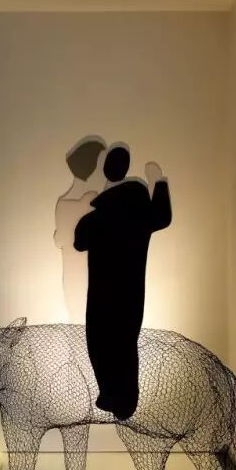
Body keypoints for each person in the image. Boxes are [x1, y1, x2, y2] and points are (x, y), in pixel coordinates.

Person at [74, 143, 171, 420]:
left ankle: (112, 394)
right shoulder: (139, 210)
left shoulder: (97, 217)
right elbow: (163, 217)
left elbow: (79, 241)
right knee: (125, 343)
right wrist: (158, 181)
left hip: (102, 294)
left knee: (100, 341)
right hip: (130, 293)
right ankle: (123, 399)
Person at [54, 135, 107, 323]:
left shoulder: (63, 204)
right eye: (102, 166)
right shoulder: (88, 204)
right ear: (90, 170)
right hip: (82, 281)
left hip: (80, 280)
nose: (105, 173)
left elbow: (59, 239)